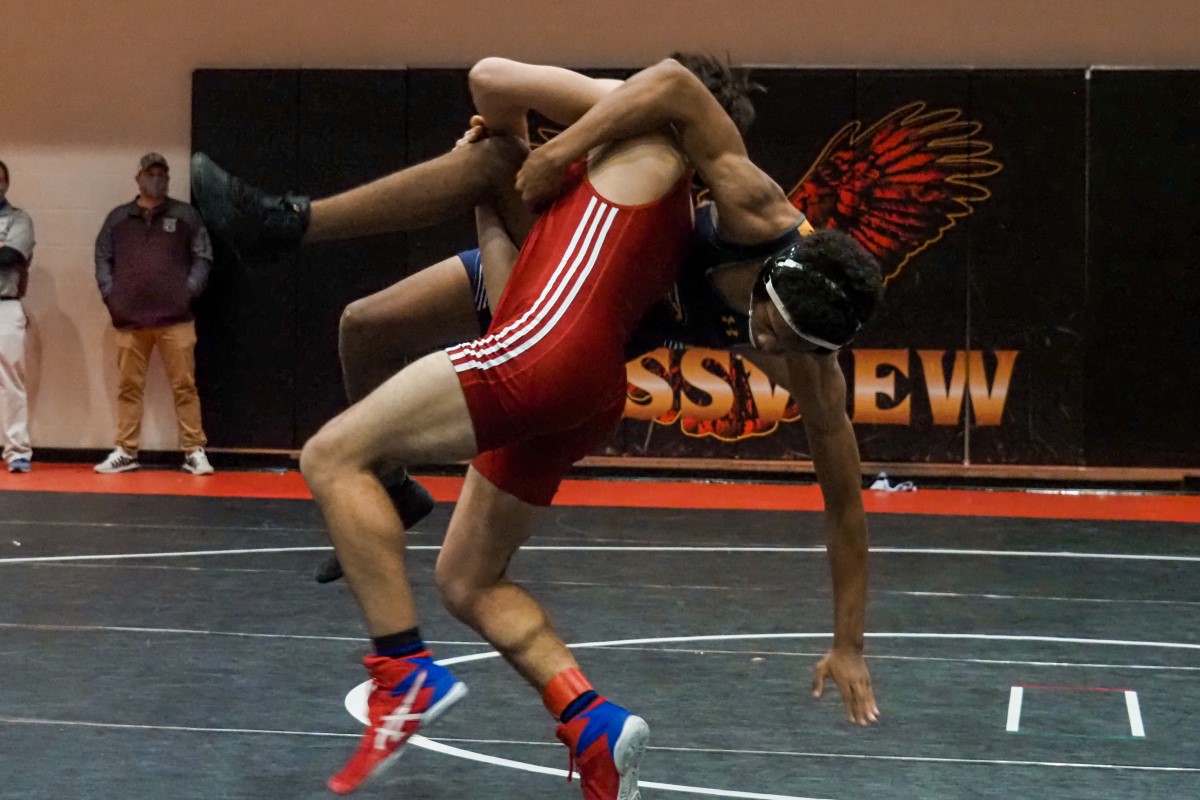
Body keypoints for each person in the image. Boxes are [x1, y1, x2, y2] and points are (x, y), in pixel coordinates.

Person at [93, 153, 216, 475]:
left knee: (185, 387)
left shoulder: (186, 216)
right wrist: (111, 296)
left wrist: (187, 293)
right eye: (151, 173)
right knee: (128, 388)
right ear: (138, 178)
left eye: (162, 173)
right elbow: (102, 258)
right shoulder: (118, 219)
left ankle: (194, 450)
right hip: (130, 320)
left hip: (176, 320)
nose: (157, 179)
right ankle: (126, 450)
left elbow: (203, 257)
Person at [0, 159, 36, 474]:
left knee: (11, 381)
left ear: (6, 183)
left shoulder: (19, 219)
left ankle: (17, 451)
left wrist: (4, 248)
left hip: (6, 304)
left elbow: (11, 255)